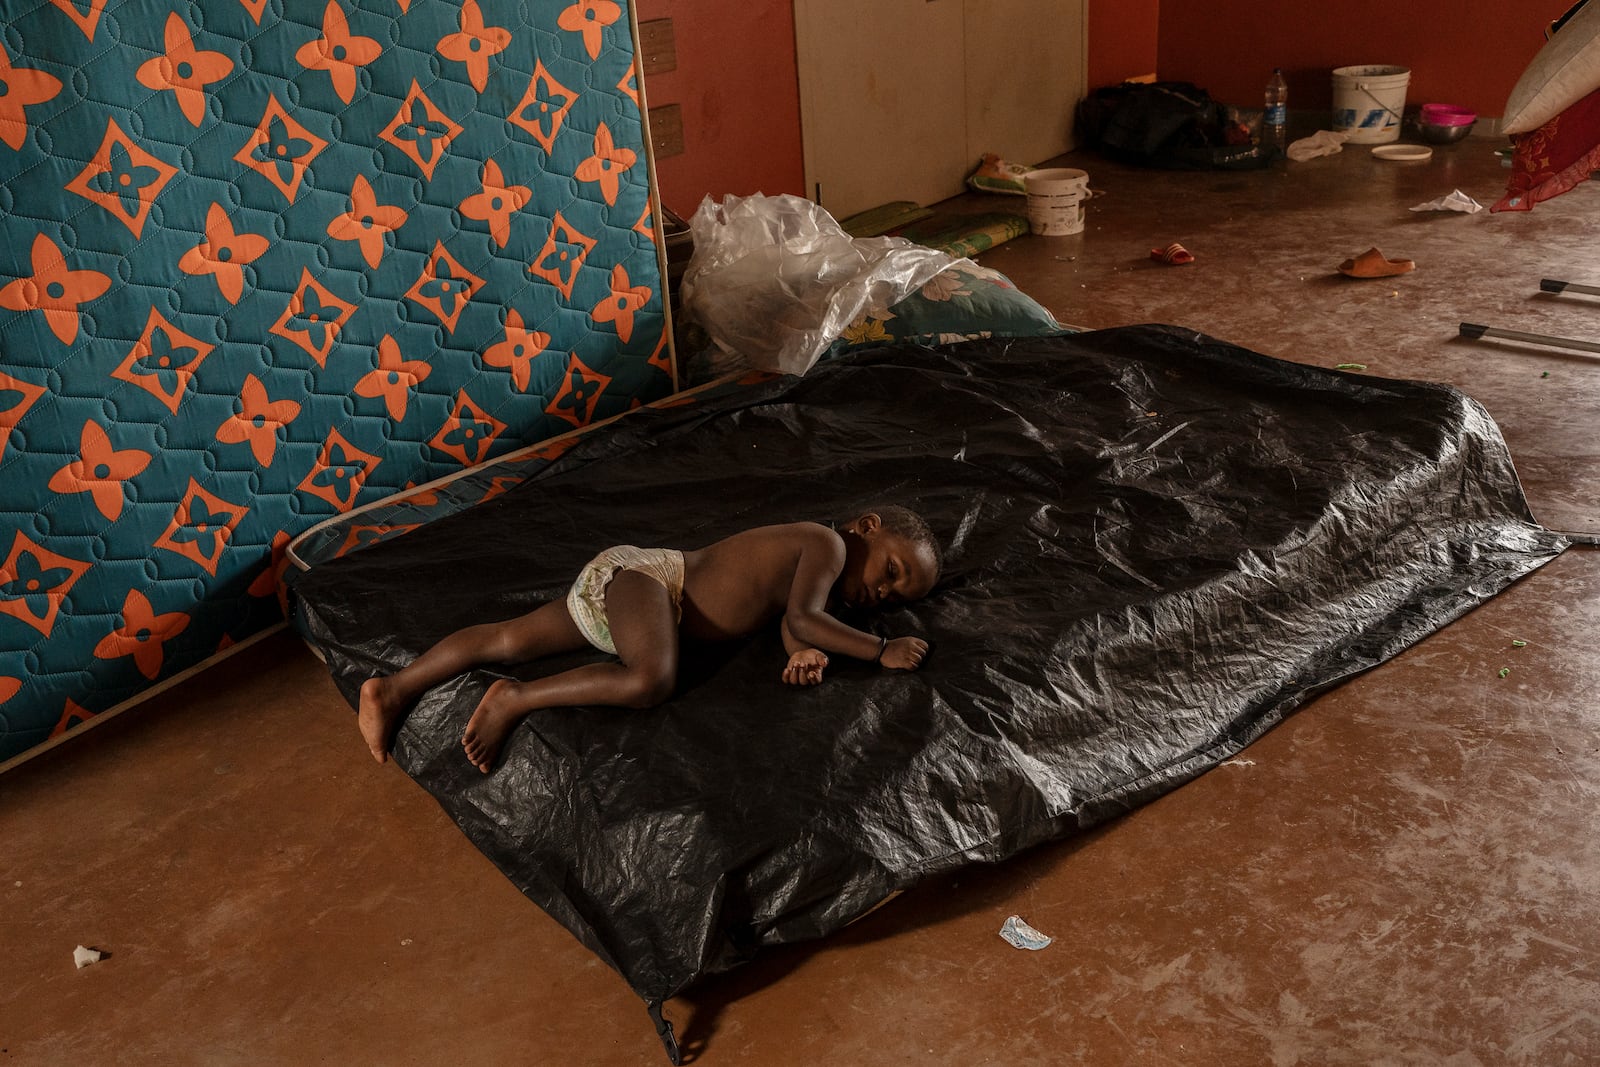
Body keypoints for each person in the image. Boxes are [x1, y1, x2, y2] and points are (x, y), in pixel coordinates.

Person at [357, 506, 943, 773]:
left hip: (640, 590)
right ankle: (516, 698)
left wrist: (803, 655)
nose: (883, 594)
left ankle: (391, 688)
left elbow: (797, 622)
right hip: (650, 584)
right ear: (868, 526)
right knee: (651, 680)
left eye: (897, 597)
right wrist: (876, 649)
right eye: (891, 570)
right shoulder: (828, 544)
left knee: (507, 638)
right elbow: (806, 616)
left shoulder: (828, 581)